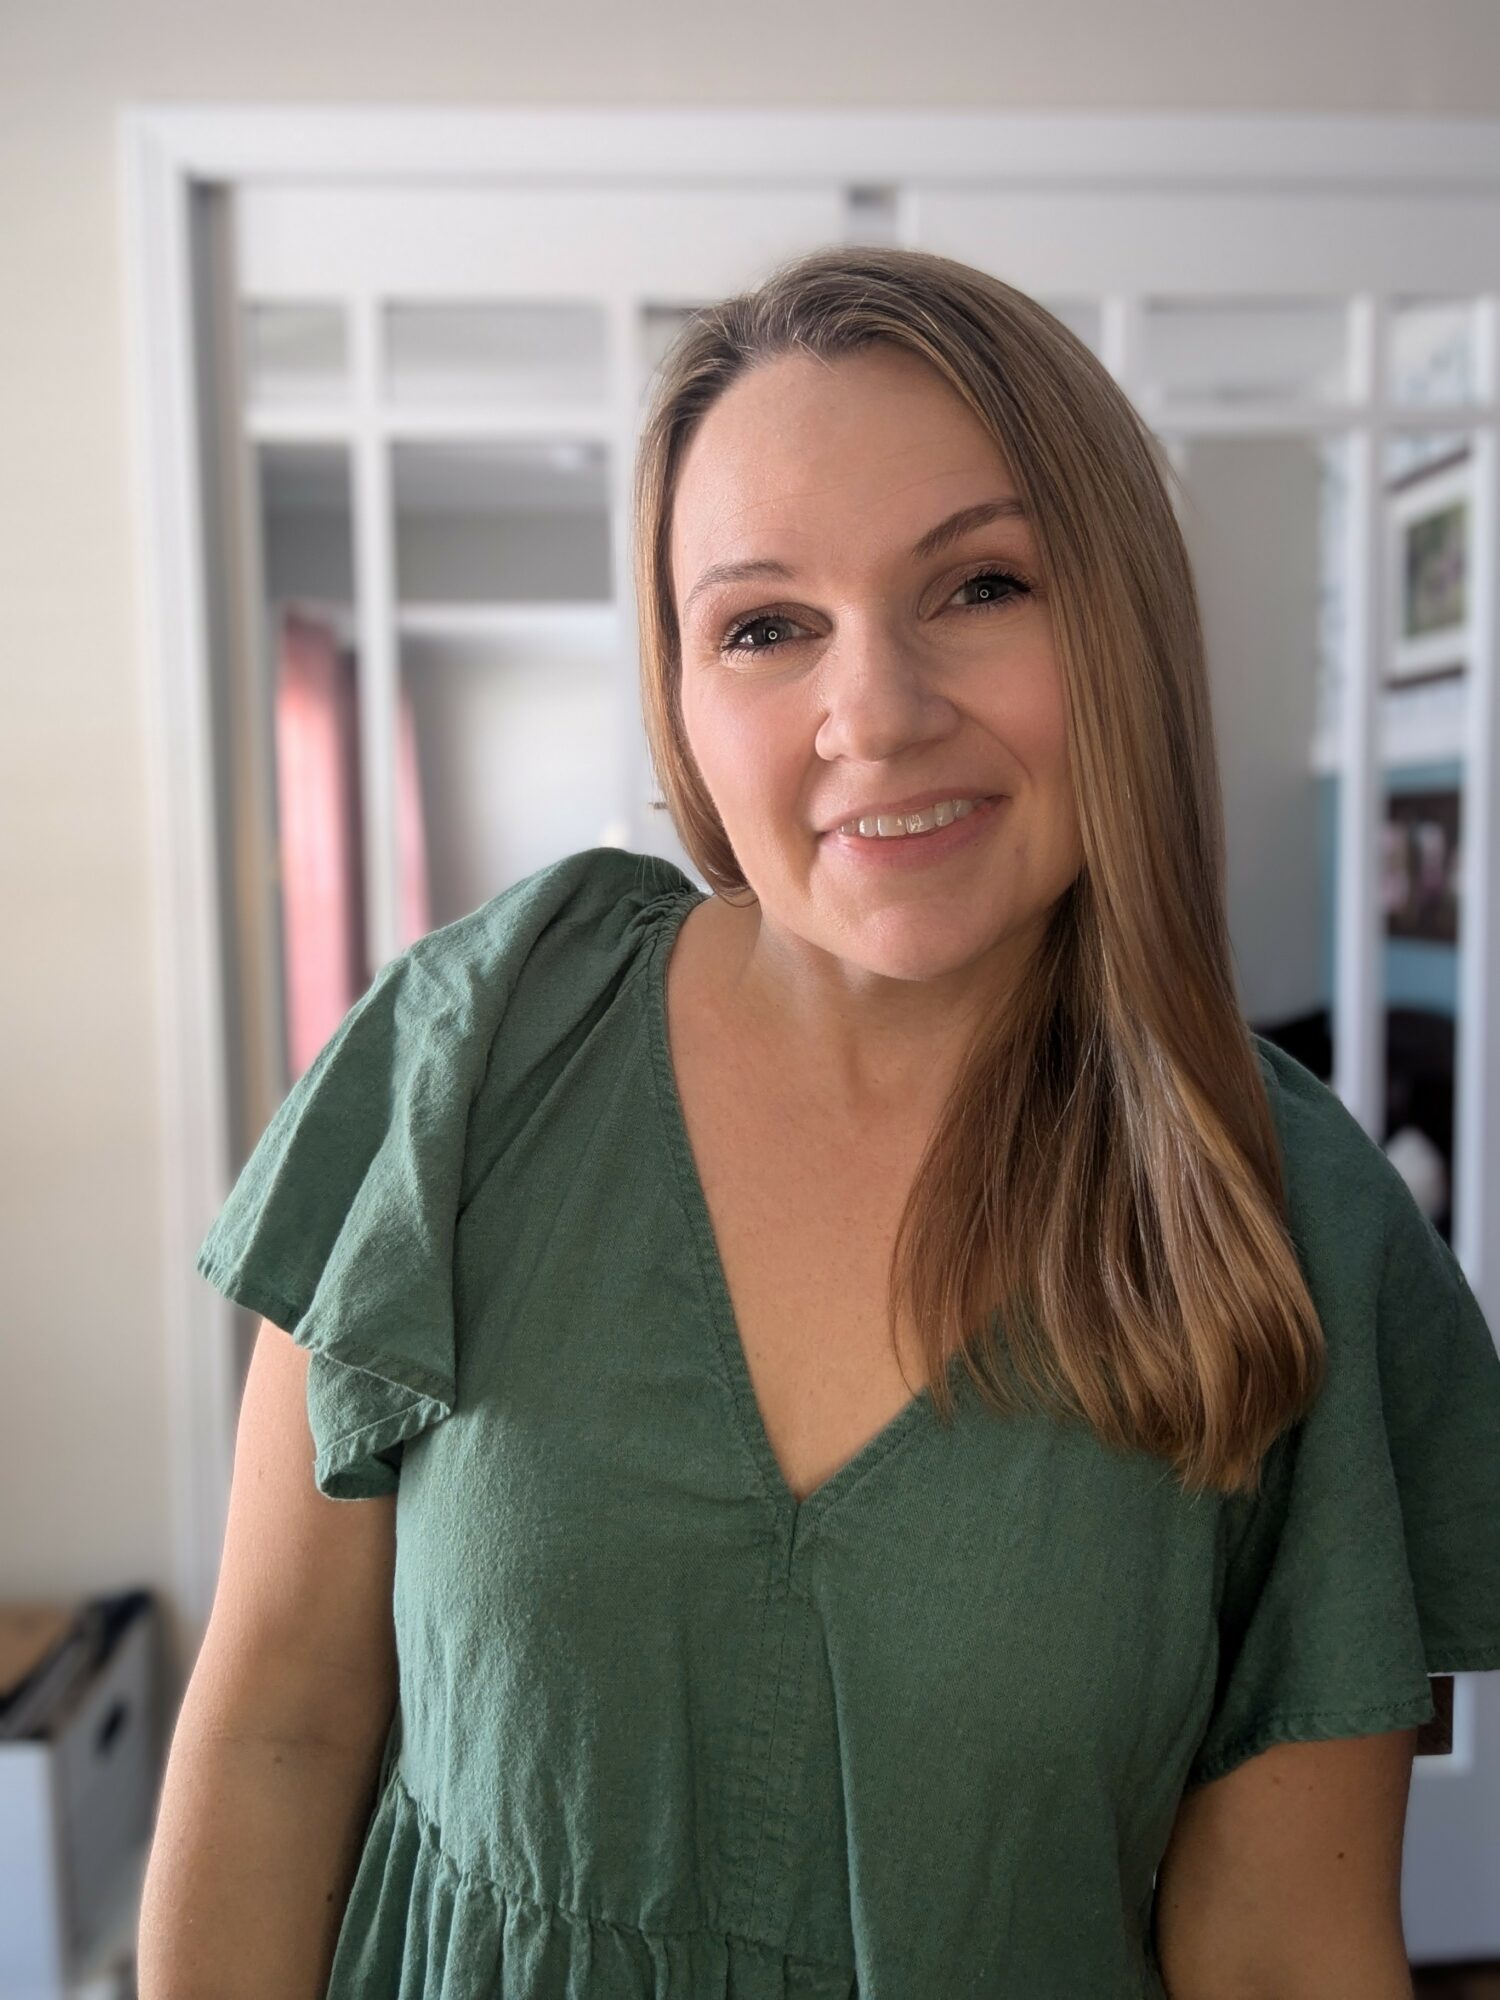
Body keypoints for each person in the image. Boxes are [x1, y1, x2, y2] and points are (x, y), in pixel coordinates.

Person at [138, 244, 1500, 1999]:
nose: (880, 714)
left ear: (1125, 628)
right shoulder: (471, 1057)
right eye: (766, 625)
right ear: (684, 701)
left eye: (982, 585)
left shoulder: (1291, 1217)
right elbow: (275, 1729)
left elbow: (1284, 1951)